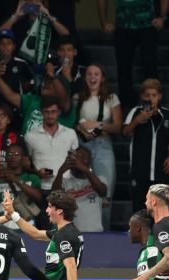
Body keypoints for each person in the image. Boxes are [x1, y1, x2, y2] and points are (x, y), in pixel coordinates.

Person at [75, 63, 122, 229]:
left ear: (102, 78)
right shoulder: (78, 97)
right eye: (89, 74)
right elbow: (72, 122)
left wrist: (98, 125)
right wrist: (81, 127)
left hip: (103, 144)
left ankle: (104, 234)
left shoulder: (111, 98)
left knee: (105, 193)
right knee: (81, 190)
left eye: (96, 74)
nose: (92, 77)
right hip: (83, 145)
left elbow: (118, 126)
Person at [97, 0, 165, 108]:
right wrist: (103, 21)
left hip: (148, 25)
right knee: (123, 68)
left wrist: (162, 16)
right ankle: (126, 107)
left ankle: (155, 104)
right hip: (123, 26)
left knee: (150, 65)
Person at [122, 78, 169, 212]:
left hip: (161, 172)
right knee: (140, 211)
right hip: (139, 171)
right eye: (147, 95)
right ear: (142, 96)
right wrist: (137, 120)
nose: (151, 99)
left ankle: (159, 233)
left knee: (160, 211)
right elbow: (124, 132)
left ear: (160, 96)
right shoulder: (135, 112)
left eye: (154, 95)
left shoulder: (168, 115)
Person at [25, 95, 78, 193]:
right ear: (41, 112)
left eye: (53, 111)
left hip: (66, 187)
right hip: (42, 187)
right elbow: (28, 163)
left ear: (59, 112)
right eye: (46, 112)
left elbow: (75, 160)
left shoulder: (70, 133)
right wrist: (37, 172)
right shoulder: (30, 136)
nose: (50, 115)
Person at [51, 147, 107, 232]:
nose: (79, 162)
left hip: (96, 232)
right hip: (72, 234)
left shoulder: (99, 179)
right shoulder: (65, 182)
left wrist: (85, 169)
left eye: (83, 157)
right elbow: (55, 198)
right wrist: (60, 172)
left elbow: (102, 191)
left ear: (90, 162)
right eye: (77, 158)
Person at [0, 144, 41, 229]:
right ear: (5, 157)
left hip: (27, 225)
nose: (13, 157)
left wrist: (15, 179)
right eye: (9, 154)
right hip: (3, 227)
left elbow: (38, 197)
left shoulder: (32, 178)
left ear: (23, 158)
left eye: (17, 154)